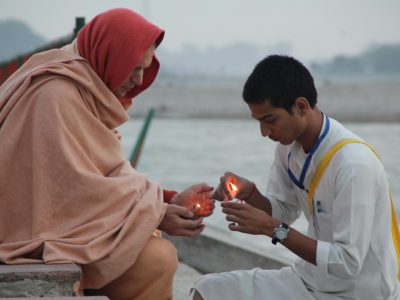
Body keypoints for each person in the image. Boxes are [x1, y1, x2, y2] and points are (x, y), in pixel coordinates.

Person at [0, 8, 214, 300]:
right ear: (109, 54)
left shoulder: (82, 86)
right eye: (134, 67)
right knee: (158, 260)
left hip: (65, 222)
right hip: (28, 232)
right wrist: (157, 214)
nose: (139, 81)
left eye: (145, 69)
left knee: (152, 250)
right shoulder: (56, 94)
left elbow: (99, 173)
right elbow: (68, 191)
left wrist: (166, 200)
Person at [191, 55, 400, 299]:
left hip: (360, 293)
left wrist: (271, 229)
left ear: (301, 106)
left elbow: (346, 264)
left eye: (270, 120)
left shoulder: (353, 165)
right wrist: (250, 194)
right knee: (207, 291)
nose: (264, 132)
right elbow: (283, 211)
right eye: (258, 122)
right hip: (308, 279)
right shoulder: (288, 148)